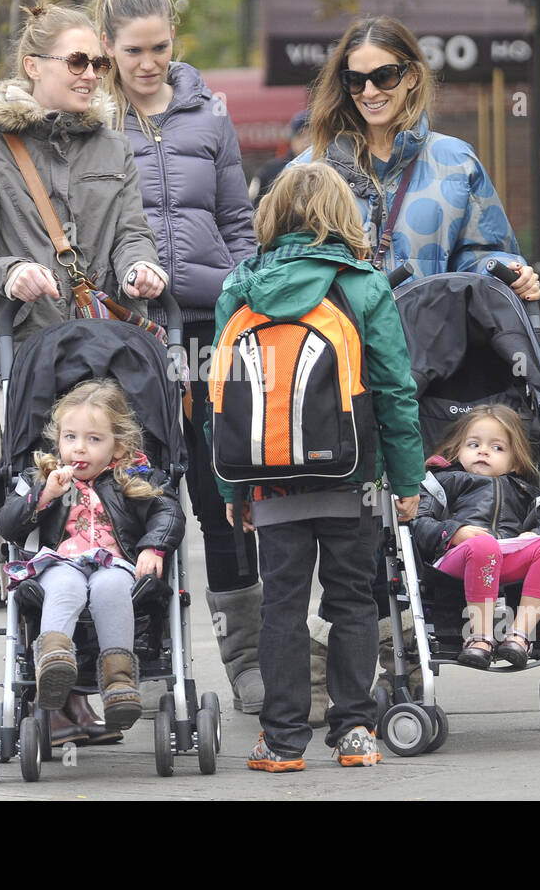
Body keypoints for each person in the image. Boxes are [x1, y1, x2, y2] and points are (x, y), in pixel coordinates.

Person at [0, 2, 164, 745]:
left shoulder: (112, 144)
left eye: (98, 62)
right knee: (39, 516)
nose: (93, 74)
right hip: (26, 367)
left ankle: (114, 663)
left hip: (107, 361)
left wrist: (139, 267)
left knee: (119, 508)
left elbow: (133, 231)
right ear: (32, 66)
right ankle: (49, 688)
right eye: (78, 61)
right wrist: (9, 273)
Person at [212, 162, 424, 771]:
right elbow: (395, 390)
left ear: (273, 215)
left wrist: (232, 487)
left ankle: (281, 741)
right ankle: (354, 730)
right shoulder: (363, 285)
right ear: (342, 217)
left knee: (281, 603)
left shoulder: (241, 286)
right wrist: (406, 479)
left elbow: (220, 399)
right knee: (352, 598)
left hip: (270, 478)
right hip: (351, 476)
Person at [93, 0, 265, 714]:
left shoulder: (209, 115)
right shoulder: (94, 122)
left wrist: (244, 291)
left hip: (212, 327)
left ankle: (249, 663)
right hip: (132, 336)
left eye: (159, 47)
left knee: (225, 489)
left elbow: (237, 221)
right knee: (141, 494)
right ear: (108, 48)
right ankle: (143, 657)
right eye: (133, 51)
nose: (148, 63)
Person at [291, 15, 539, 299]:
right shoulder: (307, 171)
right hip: (343, 327)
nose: (369, 92)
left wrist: (510, 272)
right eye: (355, 80)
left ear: (412, 77)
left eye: (384, 76)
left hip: (433, 325)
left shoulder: (457, 162)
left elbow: (483, 254)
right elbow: (282, 265)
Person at [0, 380, 185, 729]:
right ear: (58, 439)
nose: (79, 448)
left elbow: (167, 511)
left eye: (93, 439)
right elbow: (6, 523)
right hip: (61, 562)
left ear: (118, 446)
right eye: (70, 437)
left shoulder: (134, 477)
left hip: (114, 563)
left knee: (111, 587)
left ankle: (119, 680)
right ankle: (54, 661)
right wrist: (44, 495)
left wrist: (154, 546)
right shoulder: (42, 477)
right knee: (64, 585)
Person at [411, 405, 540, 669]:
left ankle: (519, 635)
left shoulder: (526, 492)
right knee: (484, 546)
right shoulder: (444, 482)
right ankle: (480, 636)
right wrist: (454, 532)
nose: (483, 451)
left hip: (506, 557)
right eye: (474, 444)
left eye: (497, 448)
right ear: (457, 450)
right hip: (457, 559)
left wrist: (536, 534)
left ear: (515, 461)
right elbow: (419, 523)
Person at [249, 108, 311, 202]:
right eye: (301, 135)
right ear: (291, 139)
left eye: (312, 135)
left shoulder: (327, 168)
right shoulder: (271, 171)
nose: (307, 141)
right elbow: (255, 203)